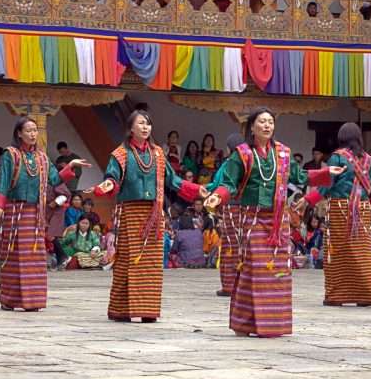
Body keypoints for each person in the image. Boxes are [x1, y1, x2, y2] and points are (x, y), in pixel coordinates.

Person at [204, 107, 342, 337]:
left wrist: (327, 172)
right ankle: (246, 323)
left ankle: (272, 324)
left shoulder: (283, 153)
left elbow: (300, 176)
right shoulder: (242, 154)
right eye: (262, 122)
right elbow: (229, 182)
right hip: (254, 219)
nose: (267, 126)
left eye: (270, 122)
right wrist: (218, 195)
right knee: (254, 268)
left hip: (278, 220)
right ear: (252, 126)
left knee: (278, 271)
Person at [91, 109, 203, 323]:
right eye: (141, 123)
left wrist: (196, 189)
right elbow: (112, 177)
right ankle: (122, 309)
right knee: (129, 260)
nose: (145, 127)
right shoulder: (121, 155)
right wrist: (107, 184)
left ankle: (148, 310)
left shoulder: (158, 154)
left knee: (150, 263)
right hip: (131, 212)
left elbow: (173, 180)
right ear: (130, 127)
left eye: (148, 124)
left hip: (153, 213)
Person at [0, 117, 89, 311]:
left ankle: (33, 300)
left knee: (33, 256)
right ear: (19, 133)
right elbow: (3, 180)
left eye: (35, 130)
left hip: (35, 212)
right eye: (29, 130)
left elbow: (54, 179)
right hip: (15, 210)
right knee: (14, 254)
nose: (33, 134)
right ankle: (10, 299)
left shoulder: (42, 158)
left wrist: (71, 166)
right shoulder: (11, 155)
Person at [304, 122, 371, 307]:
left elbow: (325, 183)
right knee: (361, 251)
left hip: (340, 208)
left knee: (338, 252)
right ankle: (367, 295)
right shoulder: (368, 160)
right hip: (361, 208)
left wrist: (309, 200)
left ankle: (337, 295)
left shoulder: (337, 158)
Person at [206, 132, 246, 296]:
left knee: (230, 244)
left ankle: (229, 285)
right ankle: (244, 284)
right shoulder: (249, 161)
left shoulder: (229, 163)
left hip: (231, 207)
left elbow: (218, 183)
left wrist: (204, 190)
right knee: (243, 245)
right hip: (246, 209)